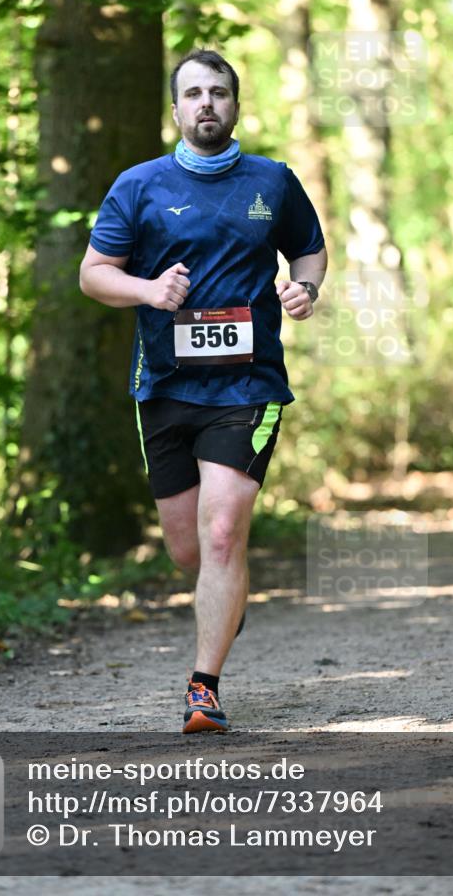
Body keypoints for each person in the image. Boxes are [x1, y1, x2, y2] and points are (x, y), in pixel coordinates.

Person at [79, 49, 327, 733]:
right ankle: (226, 595)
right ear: (176, 109)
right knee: (188, 550)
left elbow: (308, 249)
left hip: (249, 385)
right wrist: (147, 290)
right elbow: (94, 273)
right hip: (164, 385)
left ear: (235, 104)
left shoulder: (273, 181)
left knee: (221, 534)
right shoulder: (138, 185)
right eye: (193, 93)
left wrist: (304, 288)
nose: (206, 103)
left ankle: (203, 688)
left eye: (218, 91)